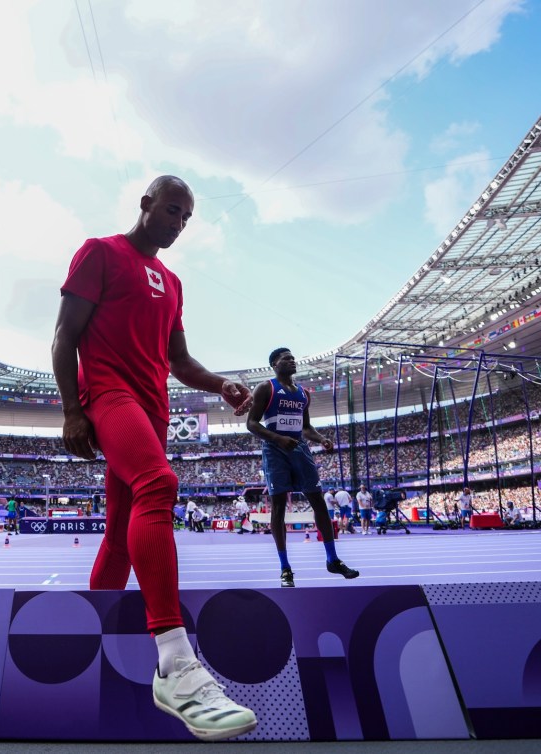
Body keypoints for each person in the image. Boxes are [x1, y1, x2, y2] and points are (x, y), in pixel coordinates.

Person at [52, 175, 257, 741]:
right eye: (171, 210)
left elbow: (179, 361)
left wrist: (221, 384)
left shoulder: (172, 281)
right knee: (159, 485)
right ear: (145, 204)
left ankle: (89, 646)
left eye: (186, 218)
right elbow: (63, 337)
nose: (178, 224)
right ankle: (175, 664)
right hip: (110, 397)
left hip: (154, 407)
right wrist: (74, 409)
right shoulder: (100, 253)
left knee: (120, 534)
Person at [245, 347, 360, 589]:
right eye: (287, 359)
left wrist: (320, 439)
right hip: (275, 450)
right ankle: (285, 568)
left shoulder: (303, 394)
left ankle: (333, 559)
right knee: (278, 506)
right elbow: (251, 423)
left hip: (299, 449)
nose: (292, 361)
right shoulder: (266, 388)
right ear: (275, 364)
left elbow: (306, 427)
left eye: (293, 358)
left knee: (317, 500)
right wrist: (277, 439)